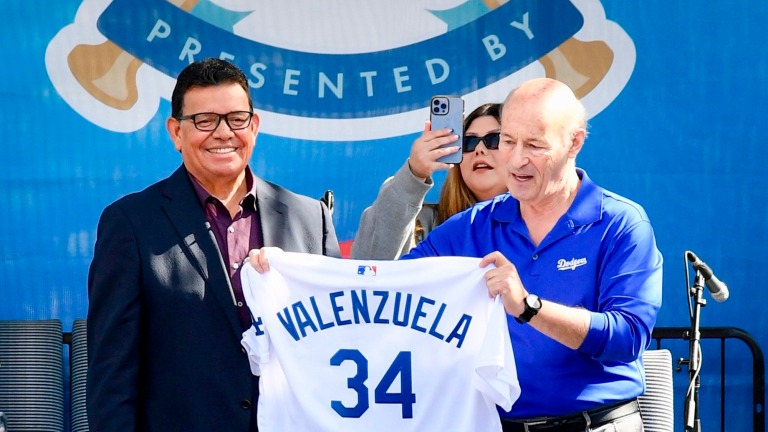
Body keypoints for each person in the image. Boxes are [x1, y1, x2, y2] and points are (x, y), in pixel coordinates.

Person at [86, 58, 340, 432]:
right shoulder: (131, 223)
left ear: (254, 126)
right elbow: (112, 375)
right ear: (175, 132)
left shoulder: (310, 218)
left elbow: (336, 343)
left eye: (236, 118)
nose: (223, 133)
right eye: (204, 120)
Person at [402, 78, 663, 431]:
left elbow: (628, 336)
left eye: (535, 145)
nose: (518, 158)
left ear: (575, 142)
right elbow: (393, 287)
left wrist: (528, 306)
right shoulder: (473, 226)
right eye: (507, 141)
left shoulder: (620, 224)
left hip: (596, 424)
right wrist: (412, 176)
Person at [351, 103, 509, 259]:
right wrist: (414, 172)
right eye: (469, 142)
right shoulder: (423, 223)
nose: (479, 149)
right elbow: (370, 265)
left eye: (494, 139)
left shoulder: (532, 228)